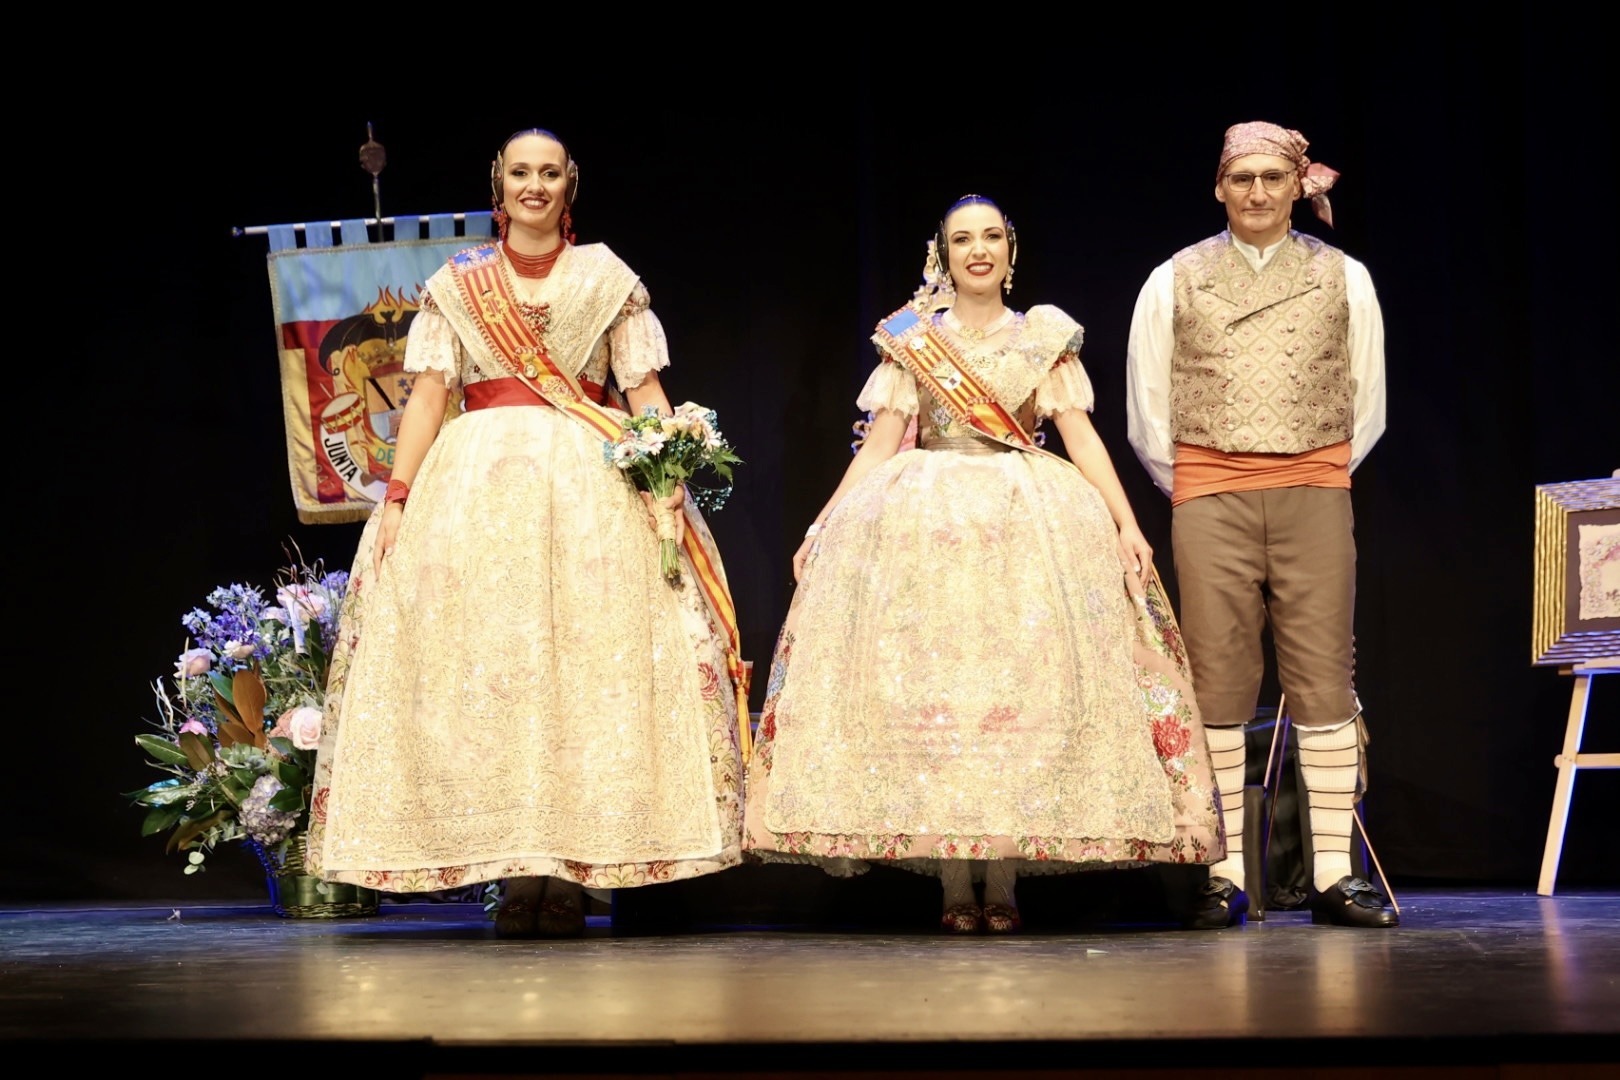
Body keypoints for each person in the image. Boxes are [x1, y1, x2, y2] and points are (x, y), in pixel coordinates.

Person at [305, 128, 750, 937]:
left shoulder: (607, 276)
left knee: (582, 668)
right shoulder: (459, 285)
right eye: (521, 173)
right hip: (477, 486)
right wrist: (398, 496)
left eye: (549, 173)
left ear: (569, 184)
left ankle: (574, 872)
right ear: (499, 184)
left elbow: (641, 386)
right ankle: (516, 875)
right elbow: (432, 395)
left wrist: (670, 471)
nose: (535, 186)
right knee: (499, 669)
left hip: (590, 478)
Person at [742, 195, 1224, 934]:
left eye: (991, 237)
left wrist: (1128, 524)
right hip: (925, 520)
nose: (978, 250)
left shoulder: (1044, 336)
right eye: (962, 239)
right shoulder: (913, 341)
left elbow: (1080, 437)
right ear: (943, 253)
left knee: (1016, 694)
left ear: (1011, 250)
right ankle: (950, 885)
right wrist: (824, 521)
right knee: (941, 692)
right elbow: (881, 443)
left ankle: (1000, 877)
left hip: (1026, 515)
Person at [1125, 121, 1394, 928]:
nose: (1257, 192)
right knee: (1218, 677)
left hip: (1313, 485)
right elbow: (1148, 410)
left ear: (1296, 185)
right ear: (1219, 187)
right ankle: (1225, 872)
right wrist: (1202, 482)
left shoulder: (1344, 277)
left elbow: (1367, 397)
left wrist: (1315, 471)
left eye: (1274, 178)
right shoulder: (1174, 280)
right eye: (1242, 178)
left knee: (1322, 676)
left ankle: (1333, 876)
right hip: (1210, 493)